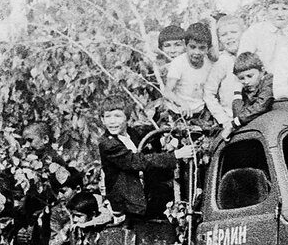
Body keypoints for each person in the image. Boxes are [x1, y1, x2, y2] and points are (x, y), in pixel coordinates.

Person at [96, 94, 194, 222]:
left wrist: (169, 140)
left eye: (117, 116)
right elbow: (137, 161)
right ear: (102, 120)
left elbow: (153, 145)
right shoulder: (107, 144)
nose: (112, 121)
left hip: (144, 197)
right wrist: (176, 155)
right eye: (107, 117)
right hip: (127, 204)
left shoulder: (135, 134)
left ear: (128, 118)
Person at [161, 22, 231, 137]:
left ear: (208, 48)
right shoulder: (178, 63)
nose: (197, 52)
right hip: (179, 113)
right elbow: (167, 92)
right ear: (185, 45)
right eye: (192, 47)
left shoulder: (209, 63)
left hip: (200, 111)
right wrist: (182, 103)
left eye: (202, 48)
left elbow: (217, 56)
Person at [238, 0, 288, 69]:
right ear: (266, 11)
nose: (280, 14)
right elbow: (243, 61)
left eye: (285, 9)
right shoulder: (255, 32)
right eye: (275, 9)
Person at [209, 14, 245, 111]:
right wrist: (223, 119)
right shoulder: (223, 60)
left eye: (233, 32)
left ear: (243, 33)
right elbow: (208, 93)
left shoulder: (250, 55)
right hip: (230, 116)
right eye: (224, 35)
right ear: (219, 39)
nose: (229, 37)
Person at [230, 52, 274, 129]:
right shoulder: (246, 89)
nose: (246, 81)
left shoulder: (269, 80)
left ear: (262, 71)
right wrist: (237, 93)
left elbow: (261, 105)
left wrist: (233, 124)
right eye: (241, 78)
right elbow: (238, 117)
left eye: (249, 76)